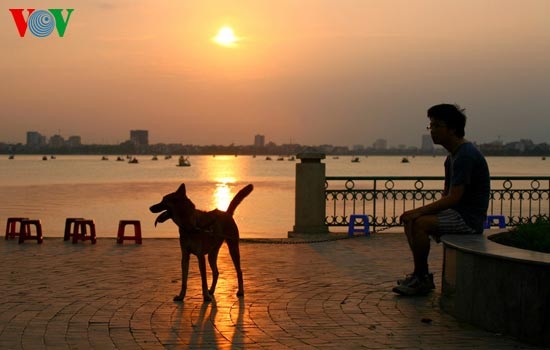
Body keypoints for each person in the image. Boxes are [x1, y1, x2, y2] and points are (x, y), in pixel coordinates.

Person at [392, 104, 490, 296]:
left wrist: (419, 211)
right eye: (431, 126)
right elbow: (447, 196)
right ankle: (421, 275)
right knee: (412, 220)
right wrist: (418, 212)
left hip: (468, 219)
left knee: (419, 223)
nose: (432, 131)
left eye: (437, 125)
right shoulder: (451, 158)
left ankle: (422, 278)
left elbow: (454, 198)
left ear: (452, 128)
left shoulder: (465, 155)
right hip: (456, 213)